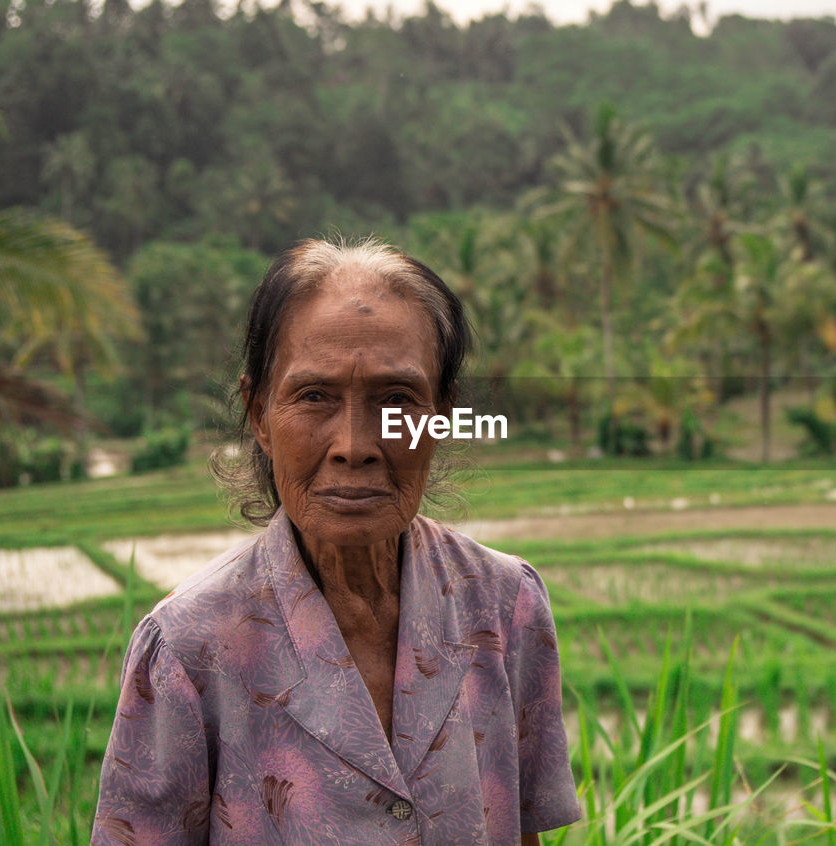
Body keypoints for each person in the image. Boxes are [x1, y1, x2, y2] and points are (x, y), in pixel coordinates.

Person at [92, 238, 580, 845]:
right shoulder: (189, 650)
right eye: (314, 396)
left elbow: (519, 831)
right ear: (259, 414)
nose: (355, 444)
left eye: (397, 400)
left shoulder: (506, 607)